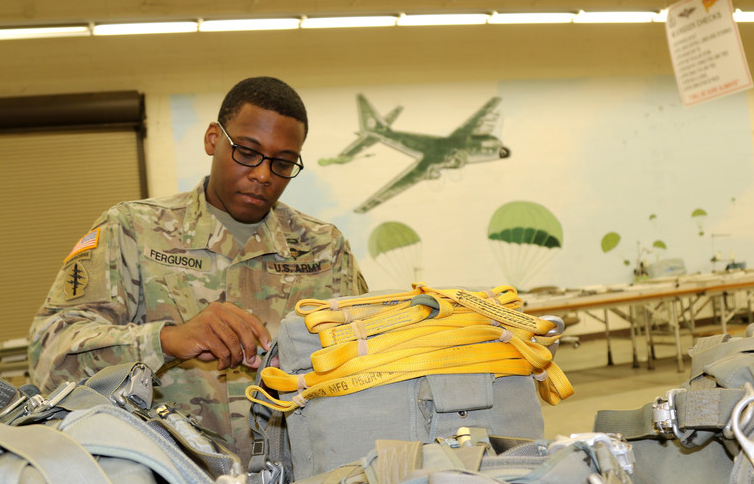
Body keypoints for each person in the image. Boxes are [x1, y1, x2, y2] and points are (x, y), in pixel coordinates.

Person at [28, 76, 369, 457]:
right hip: (170, 468)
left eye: (283, 163)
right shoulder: (132, 230)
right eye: (247, 151)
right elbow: (49, 355)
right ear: (213, 139)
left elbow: (371, 361)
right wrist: (167, 340)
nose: (263, 175)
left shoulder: (325, 249)